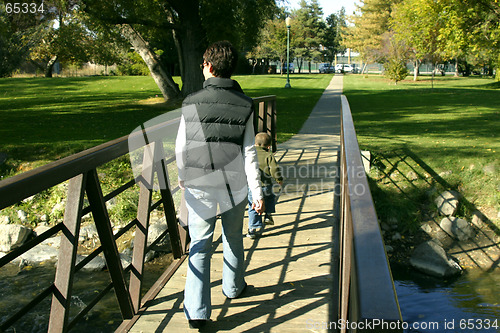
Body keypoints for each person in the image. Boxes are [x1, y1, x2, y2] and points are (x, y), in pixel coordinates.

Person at [175, 40, 264, 329]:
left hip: (199, 181)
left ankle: (198, 312)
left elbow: (181, 146)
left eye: (203, 63)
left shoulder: (191, 101)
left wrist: (181, 173)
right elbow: (250, 150)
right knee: (233, 237)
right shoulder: (246, 104)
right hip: (234, 184)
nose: (202, 68)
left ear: (210, 67)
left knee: (199, 244)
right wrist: (258, 191)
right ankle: (233, 288)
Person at [247, 132, 283, 238]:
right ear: (268, 146)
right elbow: (274, 168)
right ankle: (268, 215)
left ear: (255, 143)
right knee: (270, 198)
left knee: (254, 206)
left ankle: (252, 229)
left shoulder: (250, 154)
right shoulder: (268, 155)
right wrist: (279, 179)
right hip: (267, 185)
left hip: (253, 187)